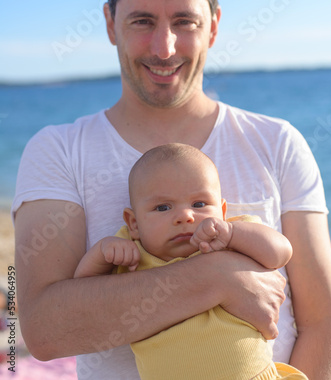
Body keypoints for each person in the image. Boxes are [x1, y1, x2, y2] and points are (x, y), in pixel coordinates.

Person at [12, 0, 331, 380]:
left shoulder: (278, 142)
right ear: (109, 23)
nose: (164, 48)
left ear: (214, 27)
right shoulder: (58, 150)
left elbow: (324, 320)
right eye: (142, 21)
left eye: (185, 22)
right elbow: (44, 329)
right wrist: (216, 277)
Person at [74, 143, 309, 380]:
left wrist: (232, 233)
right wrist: (102, 253)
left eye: (199, 204)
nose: (185, 216)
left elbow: (280, 252)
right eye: (163, 207)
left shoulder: (231, 237)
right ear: (133, 224)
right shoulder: (132, 255)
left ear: (222, 210)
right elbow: (83, 294)